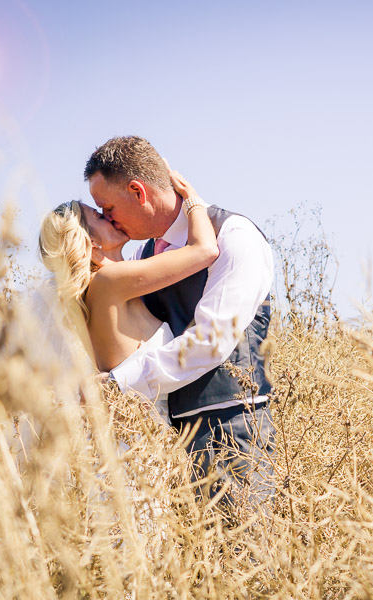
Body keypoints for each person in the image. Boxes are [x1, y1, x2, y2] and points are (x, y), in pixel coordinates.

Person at [84, 135, 277, 517]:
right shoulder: (143, 255)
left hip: (231, 433)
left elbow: (210, 341)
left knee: (240, 562)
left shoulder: (235, 238)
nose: (107, 218)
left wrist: (119, 382)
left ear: (138, 192)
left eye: (107, 207)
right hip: (163, 444)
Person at [37, 168, 218, 419]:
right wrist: (192, 198)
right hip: (146, 433)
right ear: (92, 242)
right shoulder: (110, 281)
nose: (109, 217)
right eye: (99, 217)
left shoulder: (98, 286)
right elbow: (205, 250)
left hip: (139, 428)